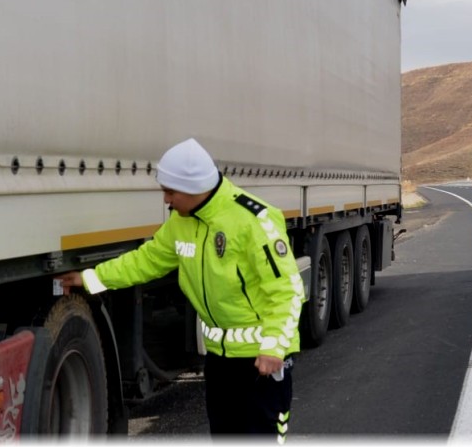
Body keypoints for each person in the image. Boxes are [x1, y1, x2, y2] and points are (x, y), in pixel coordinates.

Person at [58, 138, 305, 441]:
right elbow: (145, 261)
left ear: (193, 187)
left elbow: (287, 289)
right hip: (219, 362)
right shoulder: (181, 223)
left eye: (170, 192)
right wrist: (91, 279)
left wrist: (273, 347)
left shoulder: (253, 220)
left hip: (260, 364)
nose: (166, 200)